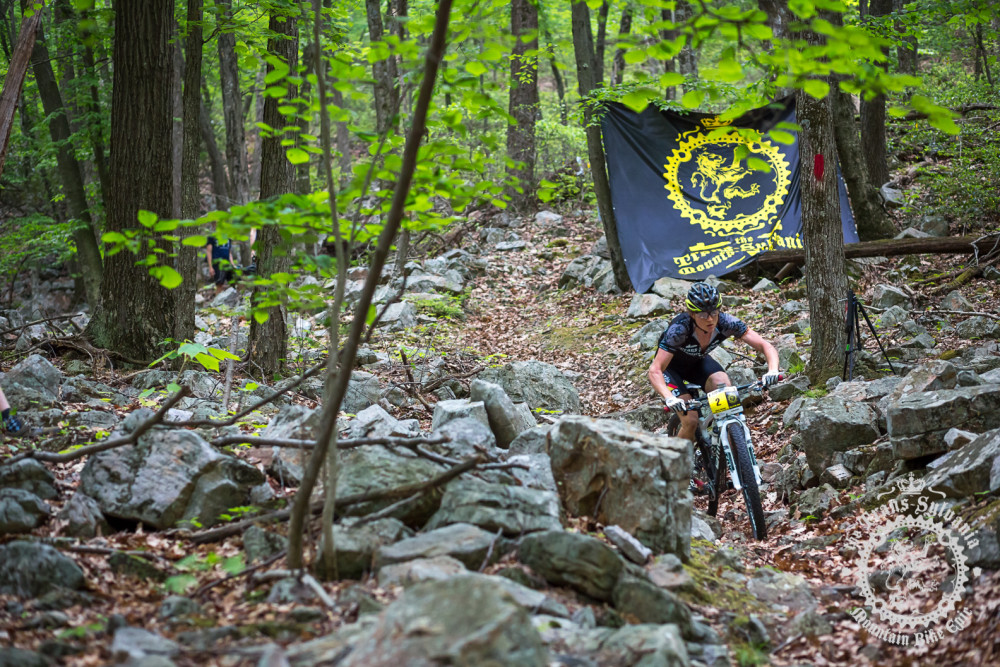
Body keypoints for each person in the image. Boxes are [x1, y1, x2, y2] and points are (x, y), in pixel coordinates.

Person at [647, 282, 781, 444]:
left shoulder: (726, 322)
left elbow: (765, 345)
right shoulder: (680, 329)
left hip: (697, 364)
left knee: (725, 392)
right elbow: (655, 370)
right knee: (691, 420)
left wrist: (772, 370)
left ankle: (731, 448)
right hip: (671, 370)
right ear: (691, 313)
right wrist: (669, 398)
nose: (710, 319)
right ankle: (674, 462)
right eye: (703, 315)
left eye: (714, 312)